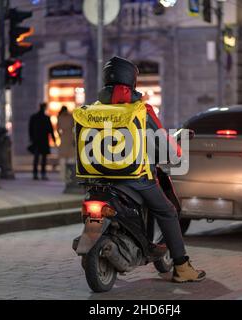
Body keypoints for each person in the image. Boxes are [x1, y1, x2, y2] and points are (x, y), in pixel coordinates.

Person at [95, 56, 206, 283]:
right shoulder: (140, 110)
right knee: (167, 211)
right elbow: (163, 143)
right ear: (132, 82)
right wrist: (176, 153)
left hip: (97, 179)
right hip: (136, 178)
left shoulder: (94, 109)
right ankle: (182, 267)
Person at [29, 103, 55, 180]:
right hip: (43, 141)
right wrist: (53, 138)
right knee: (42, 158)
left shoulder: (34, 117)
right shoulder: (45, 118)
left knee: (37, 158)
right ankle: (41, 173)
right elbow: (50, 129)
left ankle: (36, 173)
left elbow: (30, 129)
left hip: (37, 140)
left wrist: (31, 138)